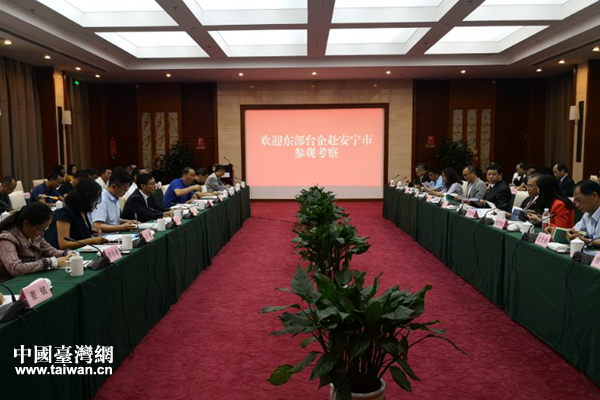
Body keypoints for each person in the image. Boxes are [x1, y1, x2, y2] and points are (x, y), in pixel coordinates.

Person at [0, 203, 74, 282]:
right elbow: (15, 269)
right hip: (12, 284)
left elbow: (51, 251)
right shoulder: (6, 239)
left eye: (45, 229)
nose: (42, 233)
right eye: (40, 229)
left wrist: (66, 254)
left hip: (34, 280)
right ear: (26, 224)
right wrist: (50, 262)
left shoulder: (34, 235)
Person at [50, 178, 108, 250]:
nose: (94, 202)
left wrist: (89, 232)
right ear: (86, 197)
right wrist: (91, 240)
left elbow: (76, 233)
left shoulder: (82, 211)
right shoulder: (64, 213)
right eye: (93, 198)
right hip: (66, 254)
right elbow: (63, 244)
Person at [89, 167, 138, 233]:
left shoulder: (115, 196)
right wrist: (122, 227)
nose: (125, 192)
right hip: (105, 237)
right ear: (114, 186)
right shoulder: (102, 200)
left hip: (115, 234)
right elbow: (97, 226)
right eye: (124, 189)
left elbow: (112, 220)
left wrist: (127, 221)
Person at [567, 180, 600, 249]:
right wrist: (555, 229)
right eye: (575, 202)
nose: (577, 205)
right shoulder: (587, 215)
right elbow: (575, 231)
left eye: (579, 200)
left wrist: (585, 240)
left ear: (594, 196)